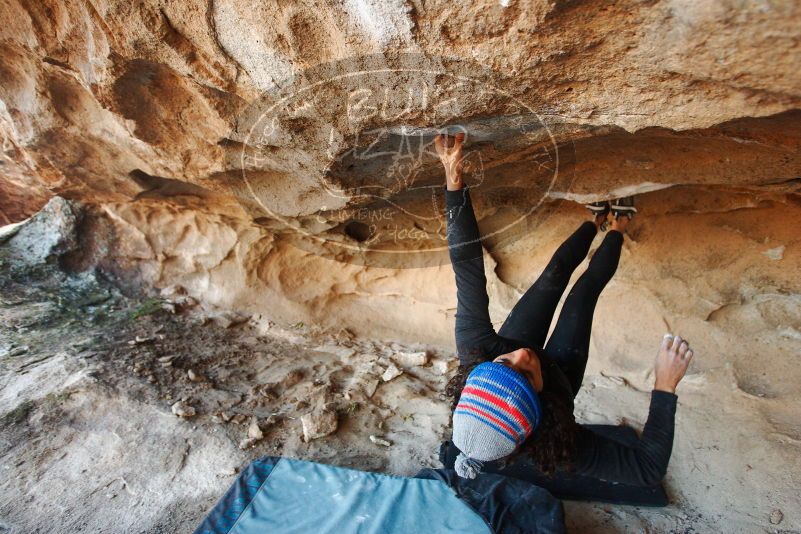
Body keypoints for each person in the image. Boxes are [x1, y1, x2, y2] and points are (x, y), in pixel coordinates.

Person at [434, 132, 694, 487]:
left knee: (553, 276)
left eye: (506, 363)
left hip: (510, 358)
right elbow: (646, 469)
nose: (523, 355)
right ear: (536, 409)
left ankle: (593, 222)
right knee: (583, 294)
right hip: (560, 376)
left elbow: (467, 265)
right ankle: (618, 226)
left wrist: (453, 180)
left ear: (479, 373)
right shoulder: (556, 438)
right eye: (524, 374)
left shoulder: (478, 352)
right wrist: (665, 385)